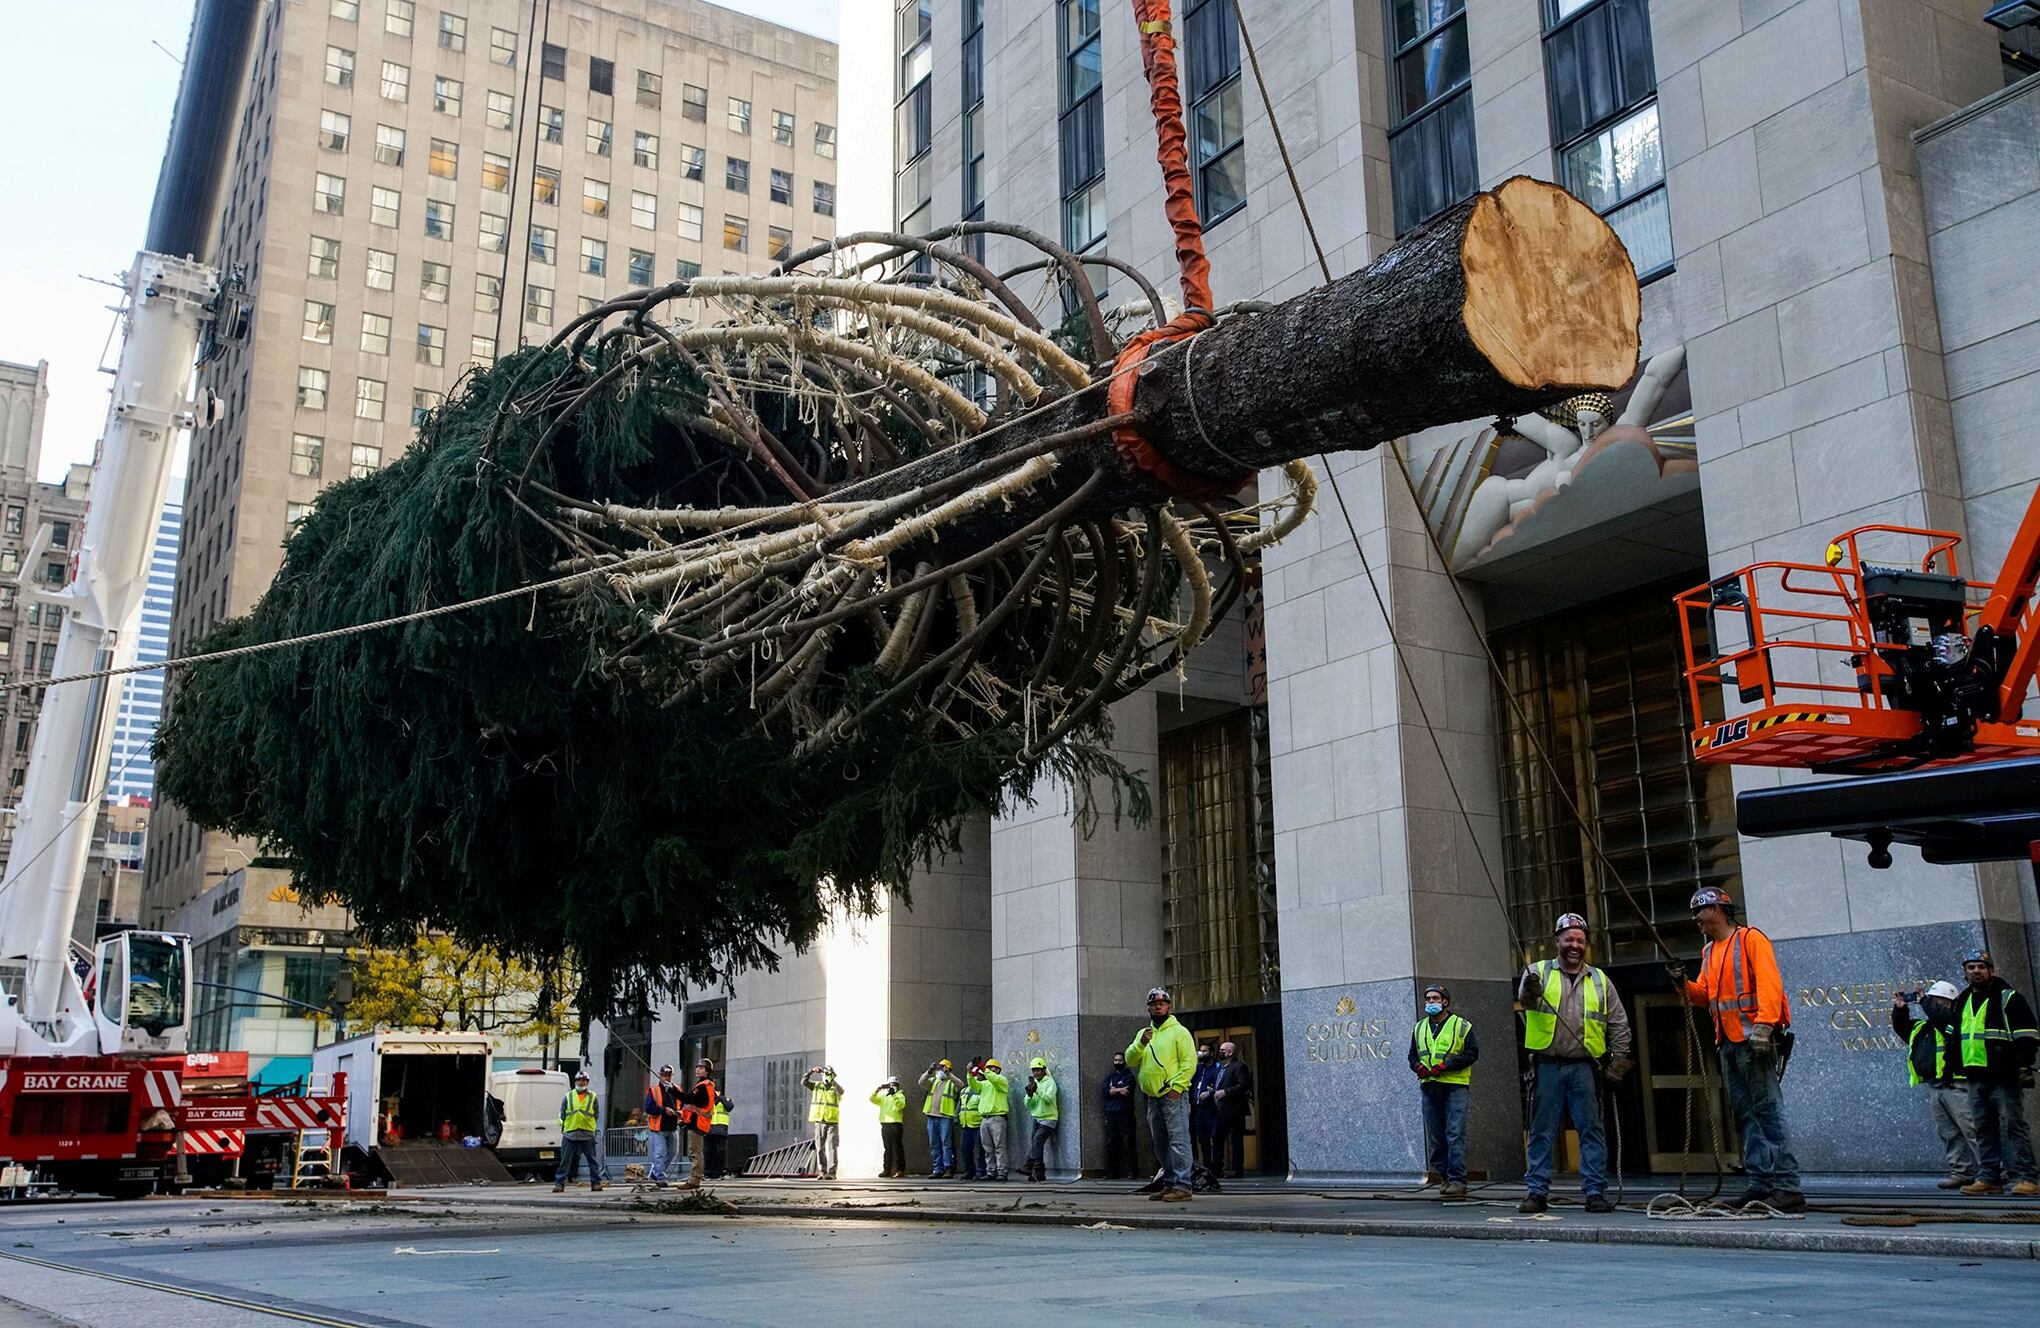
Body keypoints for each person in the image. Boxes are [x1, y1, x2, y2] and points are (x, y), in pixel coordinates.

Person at [1672, 887, 1802, 1212]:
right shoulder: (1709, 952)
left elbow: (1771, 983)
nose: (1694, 920)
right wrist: (1681, 984)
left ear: (1717, 909)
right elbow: (1704, 995)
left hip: (1752, 1042)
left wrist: (1765, 1024)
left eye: (1698, 912)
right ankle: (1760, 1185)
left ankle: (1787, 1186)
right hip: (1728, 1043)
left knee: (1768, 1112)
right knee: (1746, 1116)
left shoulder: (1750, 940)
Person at [1519, 912, 1632, 1215]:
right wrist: (1529, 990)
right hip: (1546, 1066)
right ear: (1556, 941)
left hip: (1585, 1068)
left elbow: (1618, 1022)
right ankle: (1536, 1193)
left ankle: (1595, 1192)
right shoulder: (1538, 972)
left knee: (1591, 1130)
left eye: (1579, 940)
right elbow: (1527, 1002)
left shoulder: (1600, 980)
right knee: (1542, 1131)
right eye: (1568, 939)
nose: (1574, 945)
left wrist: (1619, 1060)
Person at [1953, 948, 2039, 1196]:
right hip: (1975, 1075)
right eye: (1971, 967)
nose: (1976, 971)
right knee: (1983, 1128)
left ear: (1991, 970)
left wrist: (2024, 1065)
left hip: (2004, 1076)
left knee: (2014, 1126)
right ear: (1965, 973)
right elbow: (1955, 1036)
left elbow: (2027, 1034)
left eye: (1981, 967)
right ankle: (1989, 1176)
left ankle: (2027, 1177)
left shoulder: (2009, 998)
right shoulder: (1962, 1000)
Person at [1893, 981, 1979, 1189]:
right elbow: (1902, 1028)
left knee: (1972, 1129)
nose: (1932, 1005)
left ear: (1950, 1003)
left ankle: (1993, 1171)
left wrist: (1925, 1002)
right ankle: (1961, 1171)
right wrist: (1899, 1009)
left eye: (1937, 1001)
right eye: (1931, 1001)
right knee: (1949, 1132)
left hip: (1957, 1084)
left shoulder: (1954, 1021)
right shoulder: (1923, 1027)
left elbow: (1943, 1020)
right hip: (1935, 1085)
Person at [1126, 985, 1198, 1202]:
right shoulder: (1144, 1034)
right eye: (1153, 1005)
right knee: (1161, 1143)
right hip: (1152, 1097)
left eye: (1161, 1004)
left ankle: (1183, 1186)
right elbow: (1130, 1059)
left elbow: (1189, 1062)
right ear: (1148, 1009)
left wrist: (1177, 1087)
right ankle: (1169, 1183)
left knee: (1178, 1140)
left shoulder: (1179, 1032)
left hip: (1172, 1095)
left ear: (1168, 1006)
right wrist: (1141, 1044)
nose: (1158, 1008)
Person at [1409, 984, 1478, 1199]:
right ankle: (1445, 1177)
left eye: (1435, 998)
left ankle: (1458, 1180)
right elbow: (1412, 1056)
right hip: (1429, 1087)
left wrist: (1447, 1065)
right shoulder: (1419, 1028)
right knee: (1436, 1136)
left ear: (1445, 1001)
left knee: (1455, 1134)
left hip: (1454, 1086)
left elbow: (1472, 1053)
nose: (1430, 1003)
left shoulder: (1462, 1026)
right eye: (1428, 999)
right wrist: (1418, 1067)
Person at [1210, 1040, 1255, 1179]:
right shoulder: (1220, 1068)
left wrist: (1225, 1092)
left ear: (1230, 1052)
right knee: (1216, 1139)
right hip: (1220, 1110)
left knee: (1236, 1140)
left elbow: (1243, 1085)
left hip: (1234, 1110)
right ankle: (1217, 1169)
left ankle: (1237, 1169)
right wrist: (1213, 1091)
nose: (1220, 1052)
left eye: (1223, 1050)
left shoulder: (1239, 1067)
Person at [554, 1070, 604, 1192]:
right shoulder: (568, 1096)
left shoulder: (592, 1097)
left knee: (592, 1160)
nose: (581, 1082)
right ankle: (559, 1184)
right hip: (570, 1133)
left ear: (587, 1082)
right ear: (575, 1082)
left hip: (586, 1133)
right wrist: (564, 1124)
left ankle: (596, 1183)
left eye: (583, 1080)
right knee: (565, 1161)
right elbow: (562, 1113)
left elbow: (596, 1114)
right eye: (579, 1080)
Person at [676, 1057, 717, 1189]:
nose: (698, 1069)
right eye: (697, 1067)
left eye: (701, 1068)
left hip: (698, 1124)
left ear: (707, 1071)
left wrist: (671, 1090)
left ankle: (694, 1180)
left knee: (695, 1152)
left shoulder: (703, 1086)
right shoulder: (705, 1085)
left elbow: (688, 1098)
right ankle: (694, 1178)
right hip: (697, 1123)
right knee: (694, 1151)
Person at [1101, 1051, 1139, 1179]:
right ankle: (1111, 1172)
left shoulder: (1129, 1076)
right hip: (1111, 1115)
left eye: (1120, 1060)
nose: (1117, 1063)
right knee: (1111, 1143)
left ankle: (1132, 1171)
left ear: (1125, 1062)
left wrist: (1113, 1090)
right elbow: (1106, 1091)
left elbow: (1127, 1091)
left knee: (1128, 1143)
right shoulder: (1109, 1077)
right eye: (1115, 1060)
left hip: (1125, 1114)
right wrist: (1119, 1089)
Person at [802, 1065, 843, 1180]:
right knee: (820, 1148)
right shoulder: (817, 1086)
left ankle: (832, 1173)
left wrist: (833, 1080)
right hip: (819, 1121)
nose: (827, 1076)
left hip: (832, 1122)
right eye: (826, 1074)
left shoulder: (835, 1088)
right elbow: (804, 1082)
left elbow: (842, 1091)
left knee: (832, 1148)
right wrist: (811, 1071)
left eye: (830, 1074)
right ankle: (822, 1172)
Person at [919, 1059, 959, 1177]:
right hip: (932, 1116)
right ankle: (937, 1169)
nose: (940, 1071)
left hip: (946, 1117)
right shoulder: (933, 1081)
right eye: (939, 1068)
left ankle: (948, 1168)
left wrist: (949, 1074)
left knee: (946, 1143)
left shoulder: (951, 1083)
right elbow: (921, 1082)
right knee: (934, 1144)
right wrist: (929, 1071)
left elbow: (960, 1085)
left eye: (943, 1068)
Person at [643, 1064, 682, 1185]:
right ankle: (660, 1177)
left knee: (672, 1152)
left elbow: (682, 1104)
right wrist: (664, 1110)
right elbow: (649, 1108)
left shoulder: (677, 1090)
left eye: (669, 1075)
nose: (666, 1078)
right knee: (659, 1153)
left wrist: (680, 1113)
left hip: (672, 1126)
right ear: (660, 1076)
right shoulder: (654, 1090)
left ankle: (656, 1172)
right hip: (658, 1128)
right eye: (664, 1075)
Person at [1023, 1056, 1059, 1182]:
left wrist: (1037, 1090)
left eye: (1038, 1070)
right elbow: (1028, 1104)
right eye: (1034, 1070)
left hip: (1049, 1118)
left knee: (1037, 1141)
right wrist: (1030, 1095)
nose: (1036, 1073)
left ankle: (1029, 1165)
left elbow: (1049, 1099)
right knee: (1036, 1144)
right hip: (1037, 1118)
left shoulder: (1050, 1082)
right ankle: (1038, 1174)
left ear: (1044, 1070)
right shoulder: (1034, 1083)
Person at [976, 1059, 1011, 1181]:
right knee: (988, 1148)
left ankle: (1002, 1171)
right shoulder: (985, 1083)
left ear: (998, 1070)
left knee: (999, 1147)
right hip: (985, 1118)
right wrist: (970, 1073)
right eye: (988, 1068)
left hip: (997, 1117)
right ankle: (991, 1171)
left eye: (993, 1068)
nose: (990, 1070)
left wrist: (985, 1070)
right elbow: (974, 1085)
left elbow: (994, 1079)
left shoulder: (1001, 1080)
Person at [1189, 1043, 1219, 1169]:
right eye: (1200, 1051)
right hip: (1197, 1108)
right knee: (1202, 1138)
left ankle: (1216, 1165)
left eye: (1205, 1051)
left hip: (1211, 1108)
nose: (1202, 1053)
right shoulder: (1198, 1068)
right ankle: (1206, 1164)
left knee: (1214, 1136)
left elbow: (1220, 1085)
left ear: (1211, 1053)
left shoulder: (1217, 1068)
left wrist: (1211, 1092)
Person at [871, 1076, 908, 1177]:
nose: (893, 1087)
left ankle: (900, 1170)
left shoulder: (900, 1095)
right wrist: (877, 1090)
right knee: (887, 1148)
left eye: (895, 1085)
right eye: (890, 1085)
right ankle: (887, 1170)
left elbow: (901, 1105)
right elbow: (872, 1099)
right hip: (885, 1124)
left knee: (898, 1147)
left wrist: (894, 1095)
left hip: (896, 1124)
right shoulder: (884, 1096)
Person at [957, 1060, 984, 1180]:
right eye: (974, 1075)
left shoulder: (983, 1089)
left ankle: (981, 1171)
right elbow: (960, 1105)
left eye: (978, 1075)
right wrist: (955, 1118)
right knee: (965, 1150)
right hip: (966, 1124)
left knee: (981, 1151)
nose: (976, 1077)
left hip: (978, 1124)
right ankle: (969, 1171)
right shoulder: (964, 1090)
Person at [706, 1088, 732, 1180]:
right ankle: (708, 1173)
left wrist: (721, 1098)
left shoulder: (725, 1100)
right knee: (708, 1152)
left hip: (721, 1129)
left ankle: (718, 1172)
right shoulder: (708, 1101)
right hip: (709, 1129)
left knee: (719, 1152)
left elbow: (729, 1107)